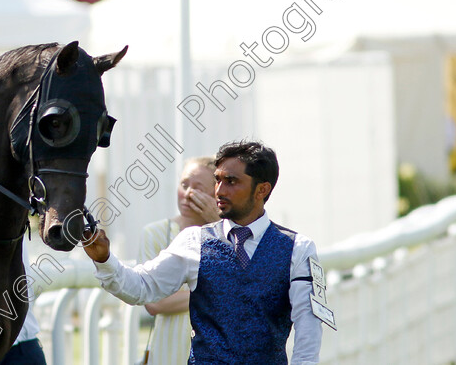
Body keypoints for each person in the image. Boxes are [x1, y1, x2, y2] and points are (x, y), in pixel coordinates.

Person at [82, 141, 323, 364]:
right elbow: (142, 287)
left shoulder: (299, 249)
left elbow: (308, 326)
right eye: (217, 180)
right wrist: (105, 260)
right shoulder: (193, 240)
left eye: (231, 181)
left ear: (262, 190)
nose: (219, 190)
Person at [137, 156, 217, 365]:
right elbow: (154, 302)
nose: (188, 194)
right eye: (184, 184)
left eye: (198, 188)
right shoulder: (156, 233)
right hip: (168, 352)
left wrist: (218, 222)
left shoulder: (228, 235)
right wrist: (215, 292)